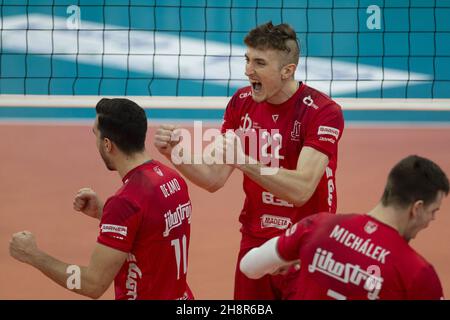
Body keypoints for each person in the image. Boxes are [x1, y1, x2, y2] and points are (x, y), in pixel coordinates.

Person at [154, 21, 344, 299]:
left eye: (259, 63)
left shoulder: (323, 112)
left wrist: (243, 161)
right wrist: (175, 154)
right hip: (256, 242)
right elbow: (213, 177)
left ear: (287, 70)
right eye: (247, 59)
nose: (248, 70)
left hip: (307, 244)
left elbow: (302, 189)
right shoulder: (241, 102)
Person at [9, 98, 194, 300]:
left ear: (107, 144)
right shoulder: (172, 178)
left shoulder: (126, 201)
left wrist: (33, 255)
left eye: (95, 135)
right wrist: (103, 212)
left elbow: (92, 284)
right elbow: (151, 227)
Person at [240, 155, 449, 300]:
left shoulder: (317, 227)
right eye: (434, 211)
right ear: (417, 208)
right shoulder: (418, 273)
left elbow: (249, 267)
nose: (432, 219)